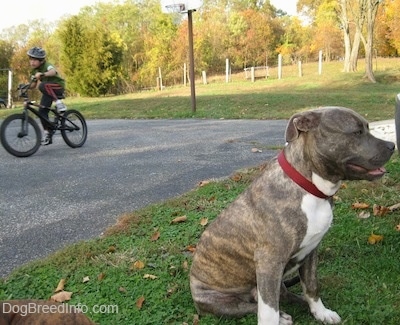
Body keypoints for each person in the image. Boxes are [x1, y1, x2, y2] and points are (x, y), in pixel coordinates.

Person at [27, 46, 66, 145]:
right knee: (42, 112)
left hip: (58, 87)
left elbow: (53, 72)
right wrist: (25, 86)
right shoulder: (34, 71)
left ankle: (59, 104)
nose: (32, 62)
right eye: (30, 59)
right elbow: (33, 85)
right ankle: (47, 133)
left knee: (43, 85)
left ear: (41, 60)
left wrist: (43, 74)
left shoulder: (47, 65)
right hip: (48, 91)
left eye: (35, 60)